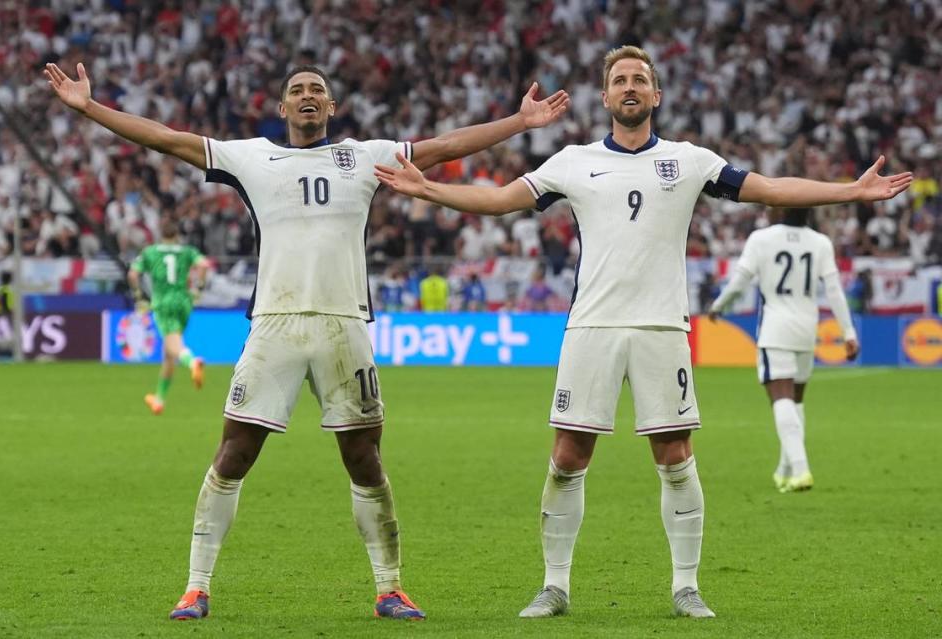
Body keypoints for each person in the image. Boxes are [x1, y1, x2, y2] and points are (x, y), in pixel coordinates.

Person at [374, 45, 911, 620]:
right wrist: (429, 189)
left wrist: (850, 191)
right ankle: (555, 586)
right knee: (567, 455)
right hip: (592, 328)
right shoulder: (572, 161)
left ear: (656, 95)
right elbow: (502, 201)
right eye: (620, 80)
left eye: (640, 80)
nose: (630, 87)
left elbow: (770, 187)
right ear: (605, 97)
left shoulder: (689, 160)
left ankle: (686, 586)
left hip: (661, 328)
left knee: (676, 454)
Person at [44, 61, 569, 621]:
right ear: (282, 108)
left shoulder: (365, 157)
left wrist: (518, 121)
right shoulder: (251, 157)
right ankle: (196, 587)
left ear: (332, 106)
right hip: (275, 325)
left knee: (364, 457)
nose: (307, 96)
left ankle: (390, 588)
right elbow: (168, 139)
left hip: (345, 327)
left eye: (317, 89)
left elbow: (442, 147)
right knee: (234, 454)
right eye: (296, 91)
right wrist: (90, 108)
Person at [708, 207, 859, 492]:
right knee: (796, 401)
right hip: (806, 329)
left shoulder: (761, 238)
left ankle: (801, 470)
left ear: (778, 208)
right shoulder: (820, 242)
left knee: (781, 398)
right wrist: (848, 333)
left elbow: (740, 282)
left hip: (775, 328)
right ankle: (784, 470)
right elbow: (835, 290)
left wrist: (718, 306)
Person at [128, 217, 210, 415]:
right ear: (177, 235)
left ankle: (193, 362)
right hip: (184, 300)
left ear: (160, 234)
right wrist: (198, 289)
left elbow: (132, 274)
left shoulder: (151, 252)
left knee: (174, 344)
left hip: (163, 302)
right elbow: (204, 265)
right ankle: (159, 399)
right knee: (168, 352)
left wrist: (139, 297)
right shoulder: (187, 251)